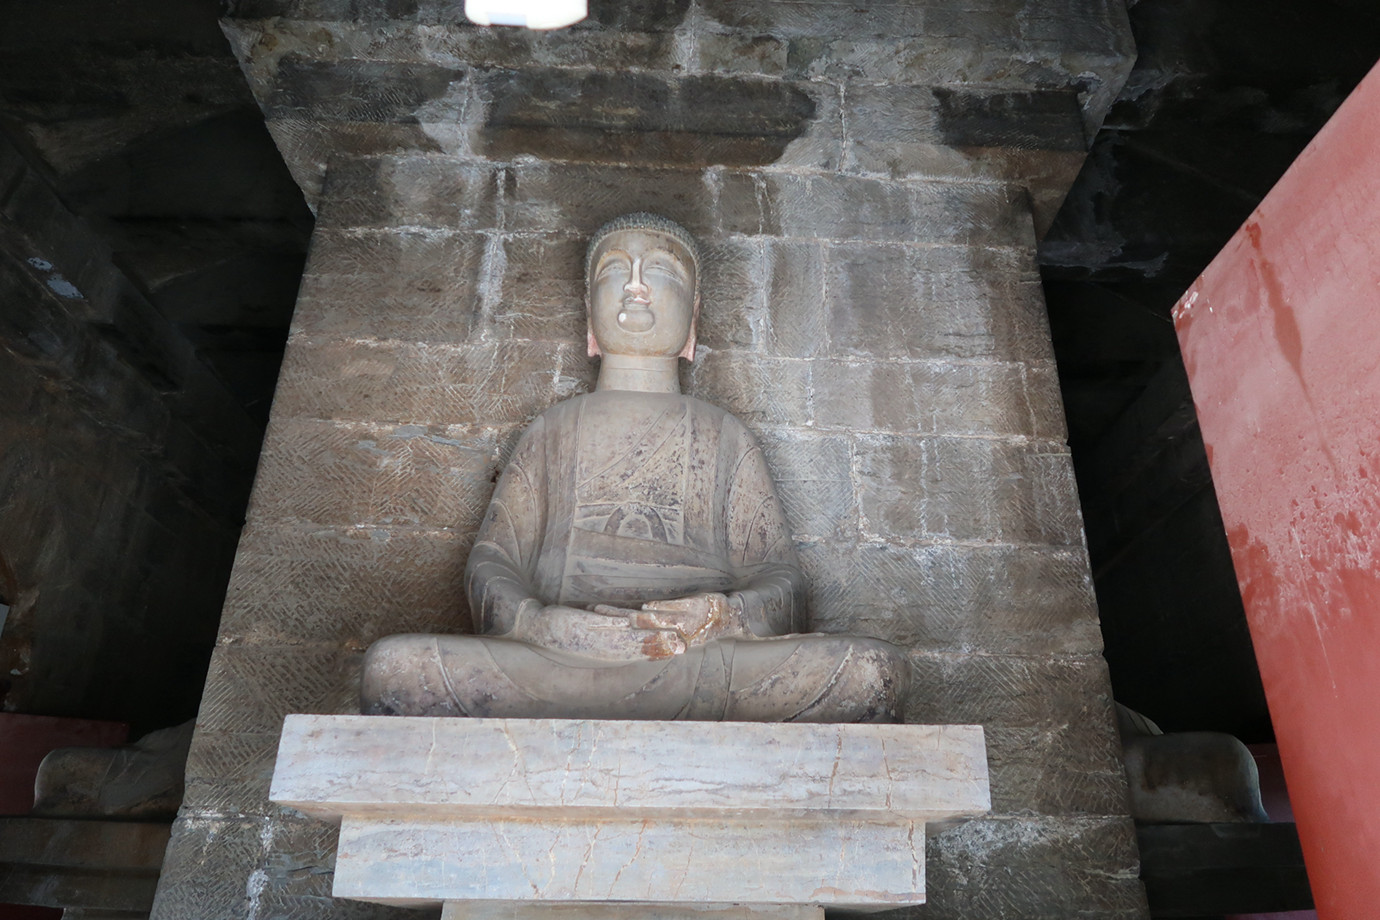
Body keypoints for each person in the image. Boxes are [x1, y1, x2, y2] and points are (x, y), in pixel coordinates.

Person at [362, 213, 908, 722]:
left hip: (701, 656)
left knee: (870, 673)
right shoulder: (554, 429)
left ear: (693, 316)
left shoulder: (723, 433)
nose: (636, 286)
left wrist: (721, 615)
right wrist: (538, 622)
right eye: (616, 271)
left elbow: (781, 578)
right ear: (588, 316)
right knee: (396, 668)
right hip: (559, 657)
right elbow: (494, 560)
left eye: (661, 271)